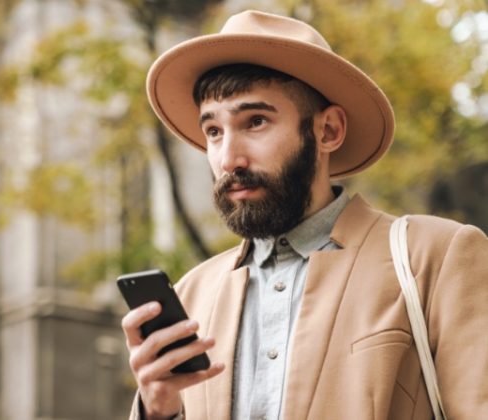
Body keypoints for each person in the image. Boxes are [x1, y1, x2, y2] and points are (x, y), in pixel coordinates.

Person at [120, 10, 488, 420]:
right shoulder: (191, 296)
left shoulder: (435, 258)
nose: (228, 159)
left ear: (328, 130)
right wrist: (157, 410)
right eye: (214, 132)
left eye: (255, 121)